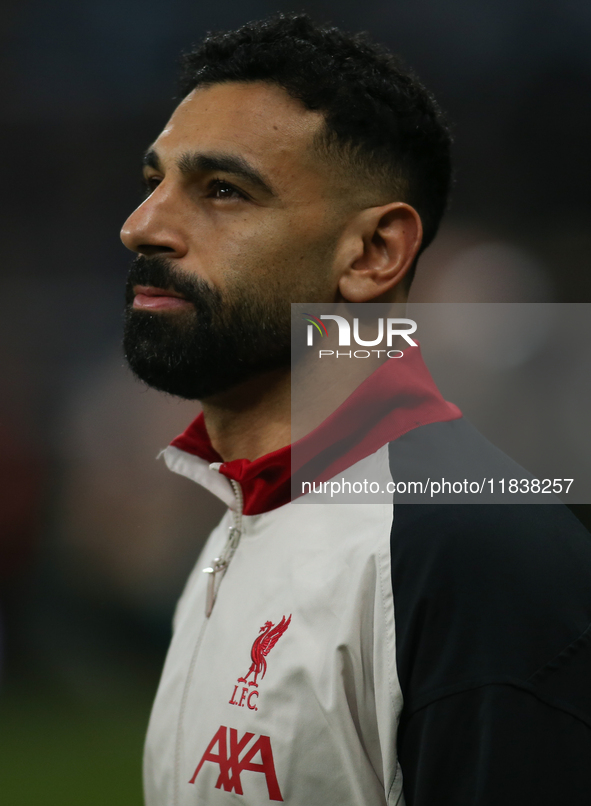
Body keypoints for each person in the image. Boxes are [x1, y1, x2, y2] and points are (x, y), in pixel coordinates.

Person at [120, 13, 591, 805]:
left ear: (373, 255)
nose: (143, 227)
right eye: (154, 183)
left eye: (223, 191)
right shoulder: (249, 509)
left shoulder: (473, 550)